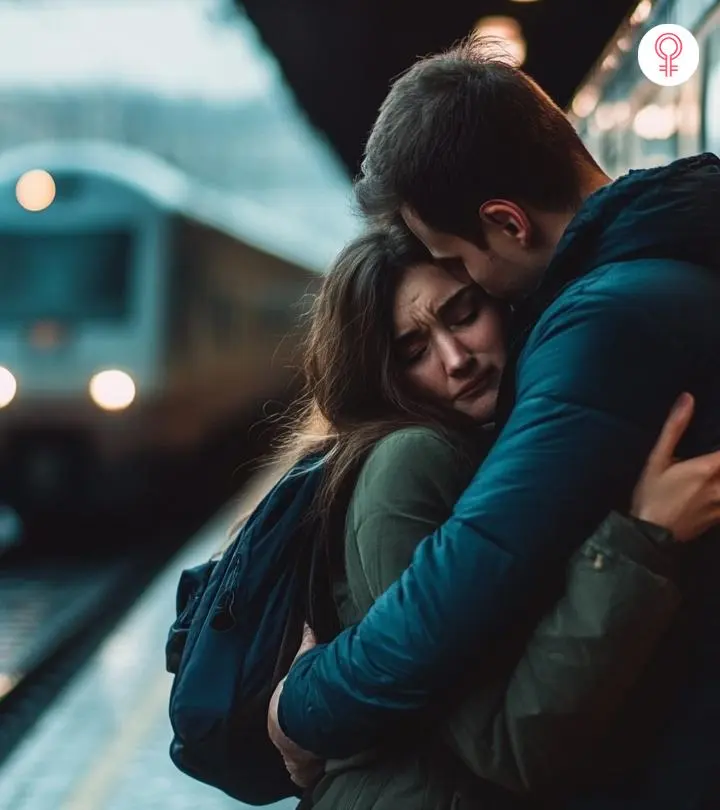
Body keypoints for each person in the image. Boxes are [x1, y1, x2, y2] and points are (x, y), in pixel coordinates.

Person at [270, 40, 720, 808]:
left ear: (506, 222)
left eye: (465, 290)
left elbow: (467, 577)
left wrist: (300, 706)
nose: (456, 356)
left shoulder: (598, 323)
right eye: (413, 347)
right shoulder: (672, 251)